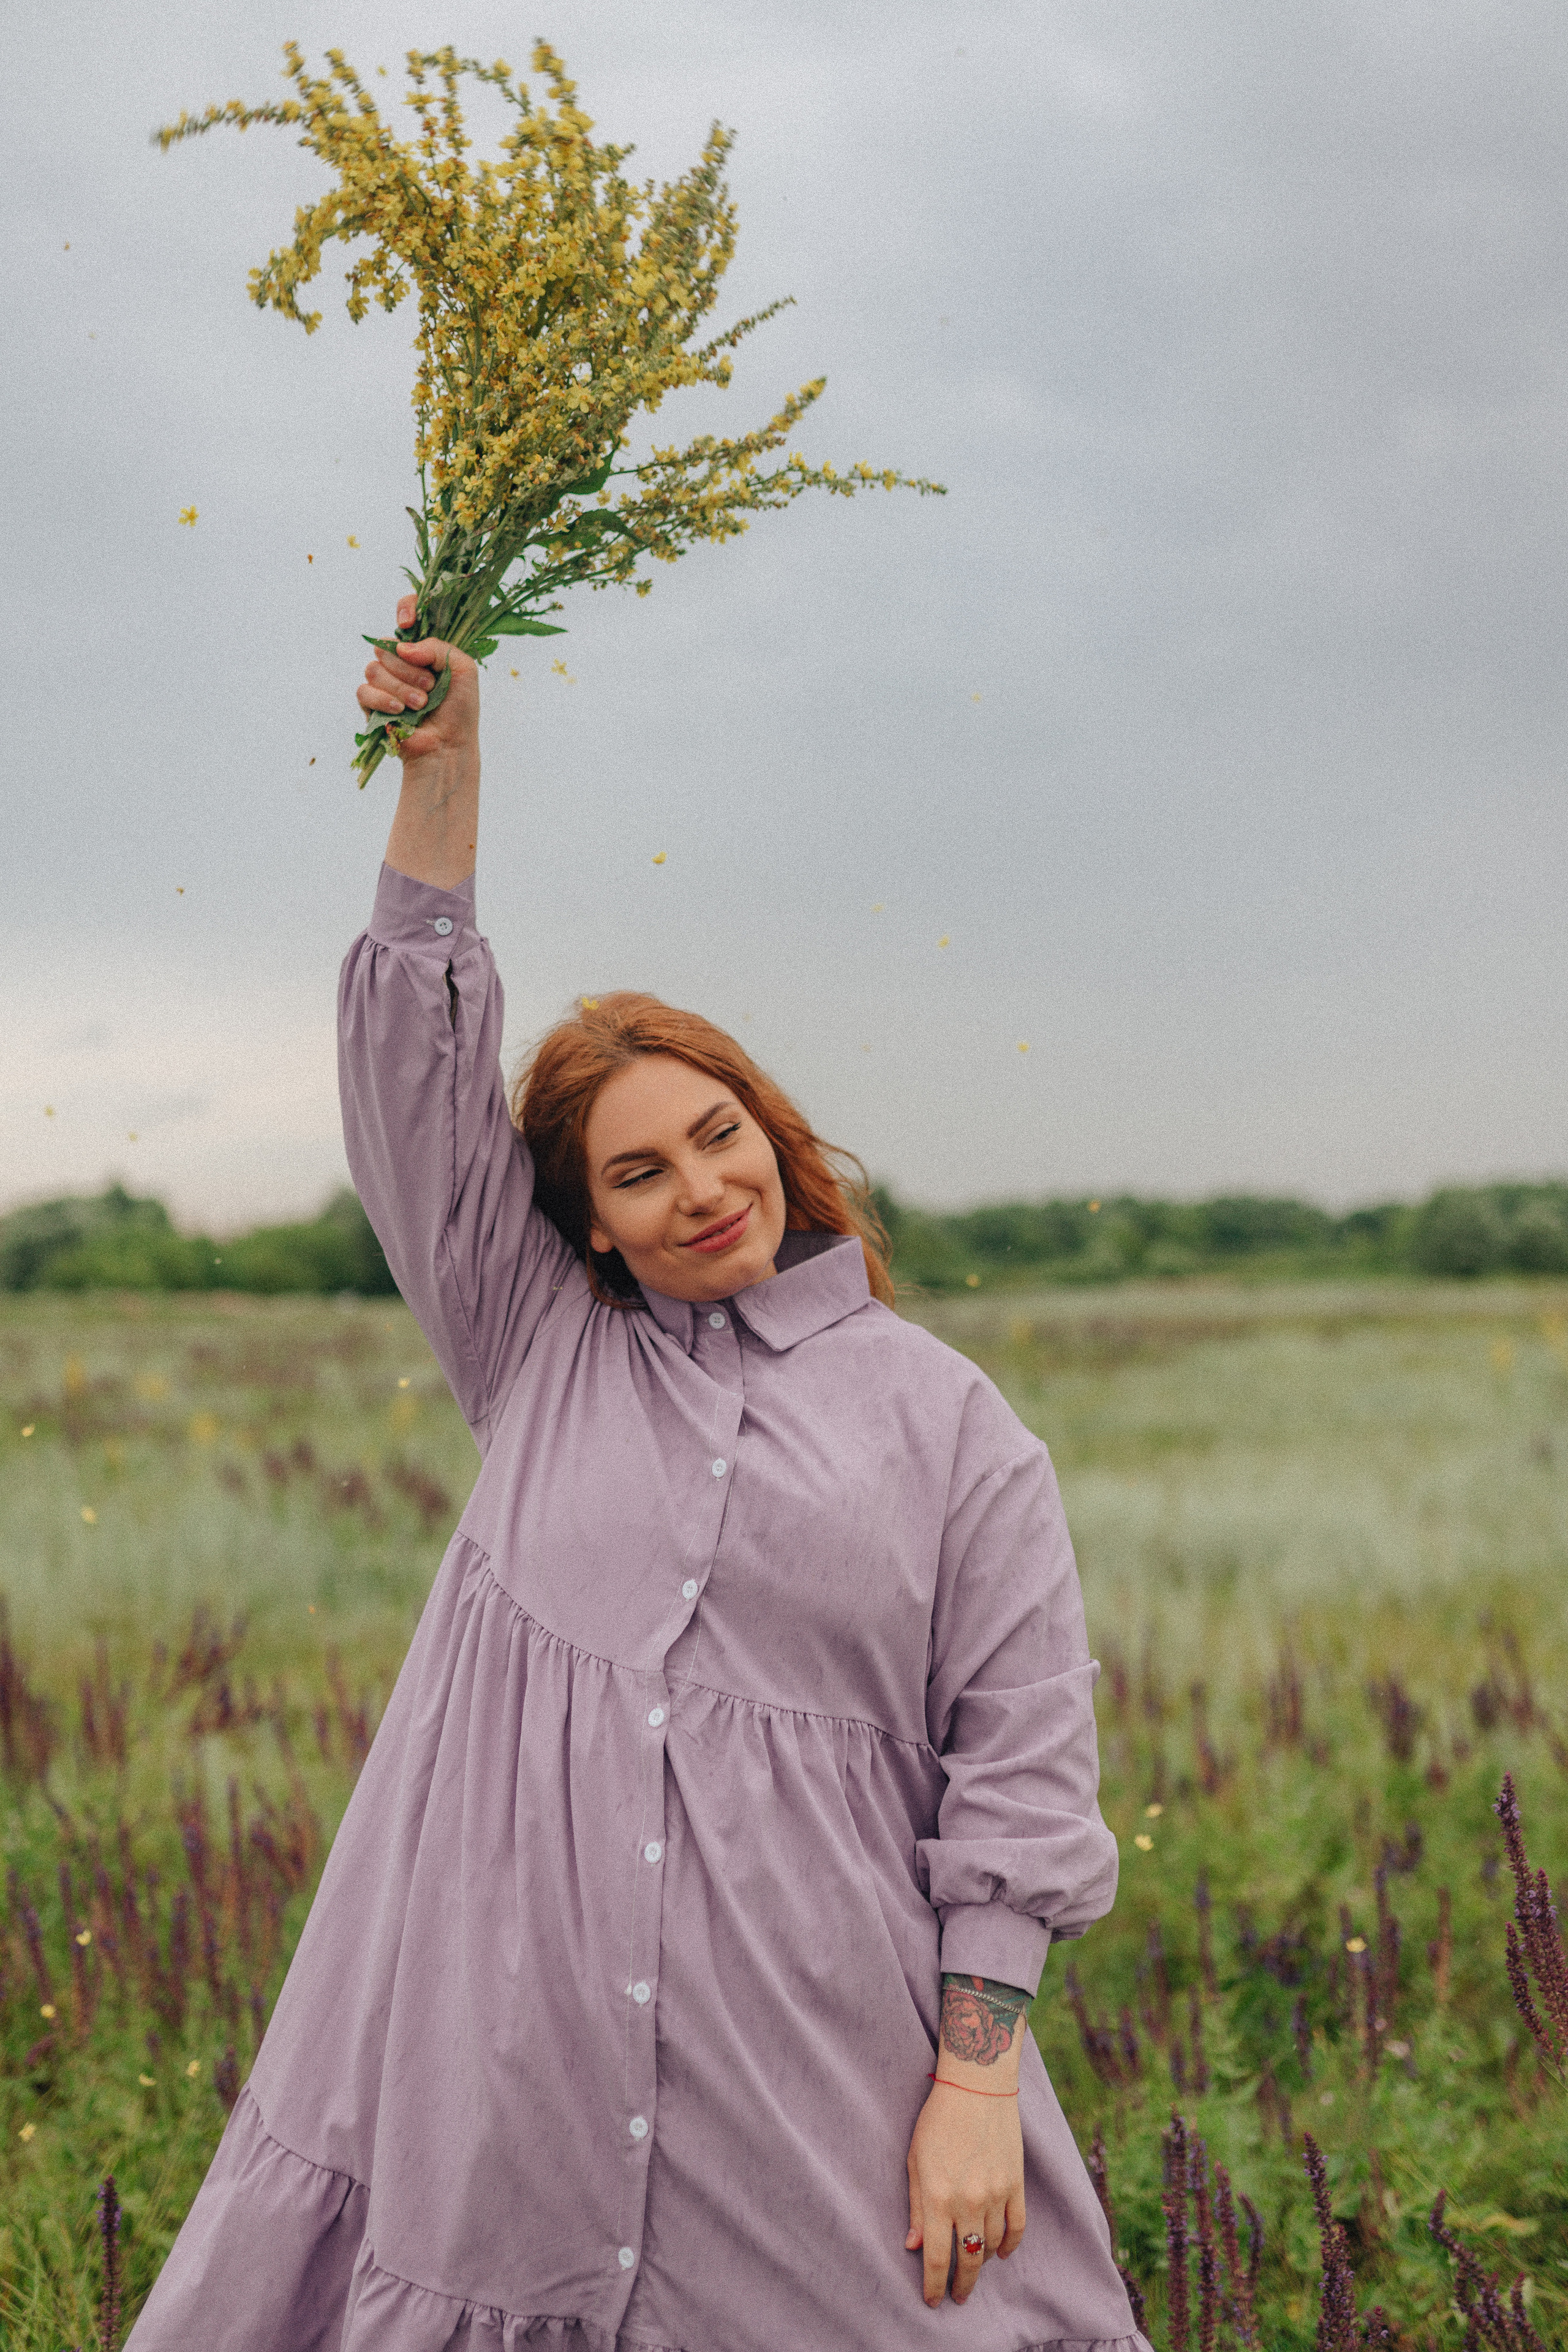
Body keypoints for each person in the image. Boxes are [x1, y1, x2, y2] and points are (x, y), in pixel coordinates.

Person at [126, 603, 1150, 2352]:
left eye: (721, 1135)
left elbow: (1027, 1769)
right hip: (504, 2079)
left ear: (778, 1132)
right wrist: (443, 779)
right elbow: (415, 1083)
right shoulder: (541, 1353)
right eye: (639, 1171)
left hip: (822, 2078)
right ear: (581, 1220)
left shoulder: (951, 1421)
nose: (700, 1189)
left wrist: (977, 2079)